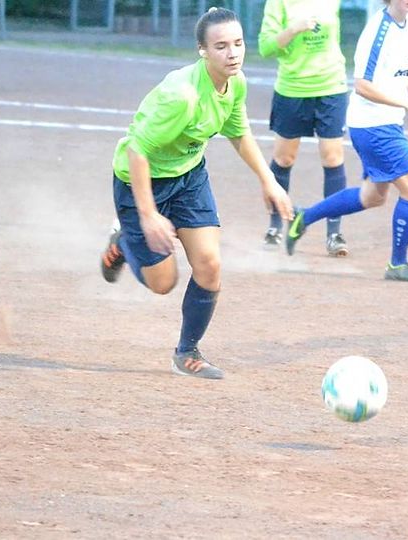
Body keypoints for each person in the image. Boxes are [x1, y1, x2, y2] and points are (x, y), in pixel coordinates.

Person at [100, 7, 293, 379]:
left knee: (210, 264)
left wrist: (268, 180)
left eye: (238, 43)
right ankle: (123, 243)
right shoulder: (182, 96)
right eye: (221, 46)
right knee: (163, 283)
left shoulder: (235, 83)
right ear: (203, 50)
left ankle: (186, 353)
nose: (232, 53)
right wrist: (148, 215)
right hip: (141, 181)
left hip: (188, 177)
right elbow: (137, 151)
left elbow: (238, 132)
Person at [284, 0, 408, 283]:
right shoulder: (378, 31)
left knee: (373, 197)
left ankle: (304, 217)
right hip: (374, 125)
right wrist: (407, 104)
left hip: (385, 122)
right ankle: (397, 264)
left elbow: (401, 72)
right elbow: (362, 86)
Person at [257, 0, 350, 257]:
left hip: (331, 86)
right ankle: (276, 225)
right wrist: (293, 30)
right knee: (284, 158)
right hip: (292, 89)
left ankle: (334, 233)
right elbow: (265, 48)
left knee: (333, 157)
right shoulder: (278, 3)